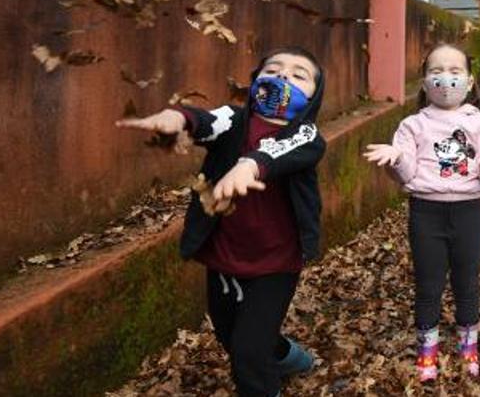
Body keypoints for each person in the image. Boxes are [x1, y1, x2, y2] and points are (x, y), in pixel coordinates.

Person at [116, 47, 326, 397]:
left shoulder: (305, 135)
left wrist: (250, 165)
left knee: (248, 354)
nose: (284, 76)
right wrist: (179, 118)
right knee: (231, 335)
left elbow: (283, 151)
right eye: (273, 69)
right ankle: (288, 357)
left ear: (313, 96)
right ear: (256, 80)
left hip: (276, 263)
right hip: (224, 258)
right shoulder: (234, 119)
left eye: (299, 74)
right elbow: (208, 122)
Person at [363, 43, 480, 382]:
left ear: (471, 81)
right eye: (437, 72)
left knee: (467, 281)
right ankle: (427, 351)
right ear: (425, 81)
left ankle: (467, 346)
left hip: (468, 212)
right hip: (425, 212)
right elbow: (408, 173)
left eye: (455, 71)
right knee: (428, 283)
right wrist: (397, 157)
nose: (446, 79)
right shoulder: (412, 124)